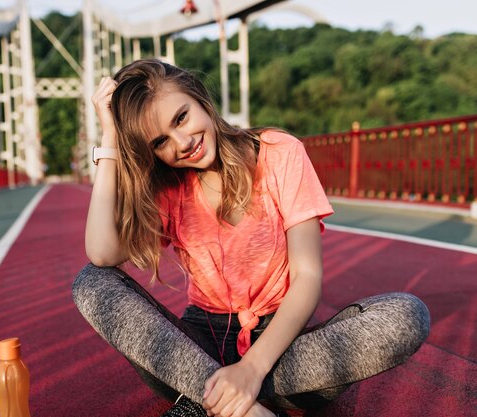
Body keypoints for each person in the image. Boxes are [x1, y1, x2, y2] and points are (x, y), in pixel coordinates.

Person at [72, 59, 430, 417]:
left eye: (181, 118)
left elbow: (307, 277)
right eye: (161, 141)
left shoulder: (279, 152)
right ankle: (247, 409)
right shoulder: (169, 187)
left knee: (406, 315)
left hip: (281, 354)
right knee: (92, 281)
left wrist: (251, 370)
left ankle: (210, 401)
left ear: (200, 98)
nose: (182, 143)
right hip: (195, 351)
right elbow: (102, 253)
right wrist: (109, 139)